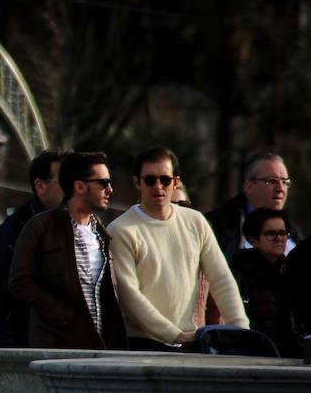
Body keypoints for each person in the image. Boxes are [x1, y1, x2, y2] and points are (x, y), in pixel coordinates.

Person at [108, 146, 247, 349]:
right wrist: (175, 335)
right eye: (150, 180)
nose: (158, 186)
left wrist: (241, 327)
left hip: (190, 341)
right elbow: (129, 296)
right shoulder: (121, 230)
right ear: (137, 182)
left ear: (176, 182)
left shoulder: (195, 221)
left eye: (165, 180)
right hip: (144, 344)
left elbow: (221, 279)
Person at [8, 152, 128, 349]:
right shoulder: (41, 227)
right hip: (58, 348)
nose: (110, 189)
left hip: (98, 348)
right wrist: (61, 314)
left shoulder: (102, 235)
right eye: (103, 183)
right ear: (79, 186)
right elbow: (19, 282)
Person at [0, 149, 66, 347]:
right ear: (41, 186)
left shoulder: (86, 229)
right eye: (65, 180)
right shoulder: (9, 234)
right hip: (22, 354)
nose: (75, 188)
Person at [206, 152, 301, 261]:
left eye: (285, 182)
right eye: (271, 181)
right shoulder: (219, 227)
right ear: (249, 186)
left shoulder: (293, 233)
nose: (280, 188)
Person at [230, 208, 296, 355]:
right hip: (248, 352)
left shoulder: (292, 272)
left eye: (283, 233)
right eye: (271, 234)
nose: (279, 238)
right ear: (253, 240)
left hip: (288, 354)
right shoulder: (238, 272)